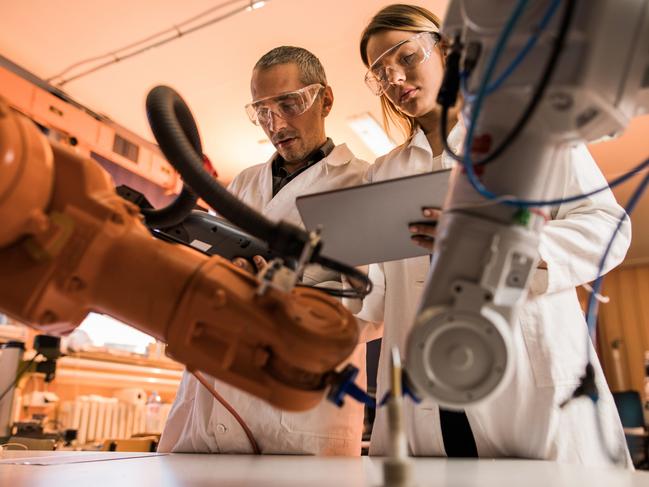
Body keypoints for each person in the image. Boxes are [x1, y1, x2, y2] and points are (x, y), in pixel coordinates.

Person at [356, 4, 632, 466]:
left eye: (405, 58)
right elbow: (375, 295)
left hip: (527, 383)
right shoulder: (384, 173)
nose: (395, 79)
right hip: (430, 404)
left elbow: (607, 227)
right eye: (380, 73)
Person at [159, 46, 369, 455]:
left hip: (297, 416)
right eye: (262, 110)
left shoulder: (361, 183)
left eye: (288, 104)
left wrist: (282, 294)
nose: (275, 123)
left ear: (325, 99)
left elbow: (370, 309)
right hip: (209, 405)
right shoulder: (242, 184)